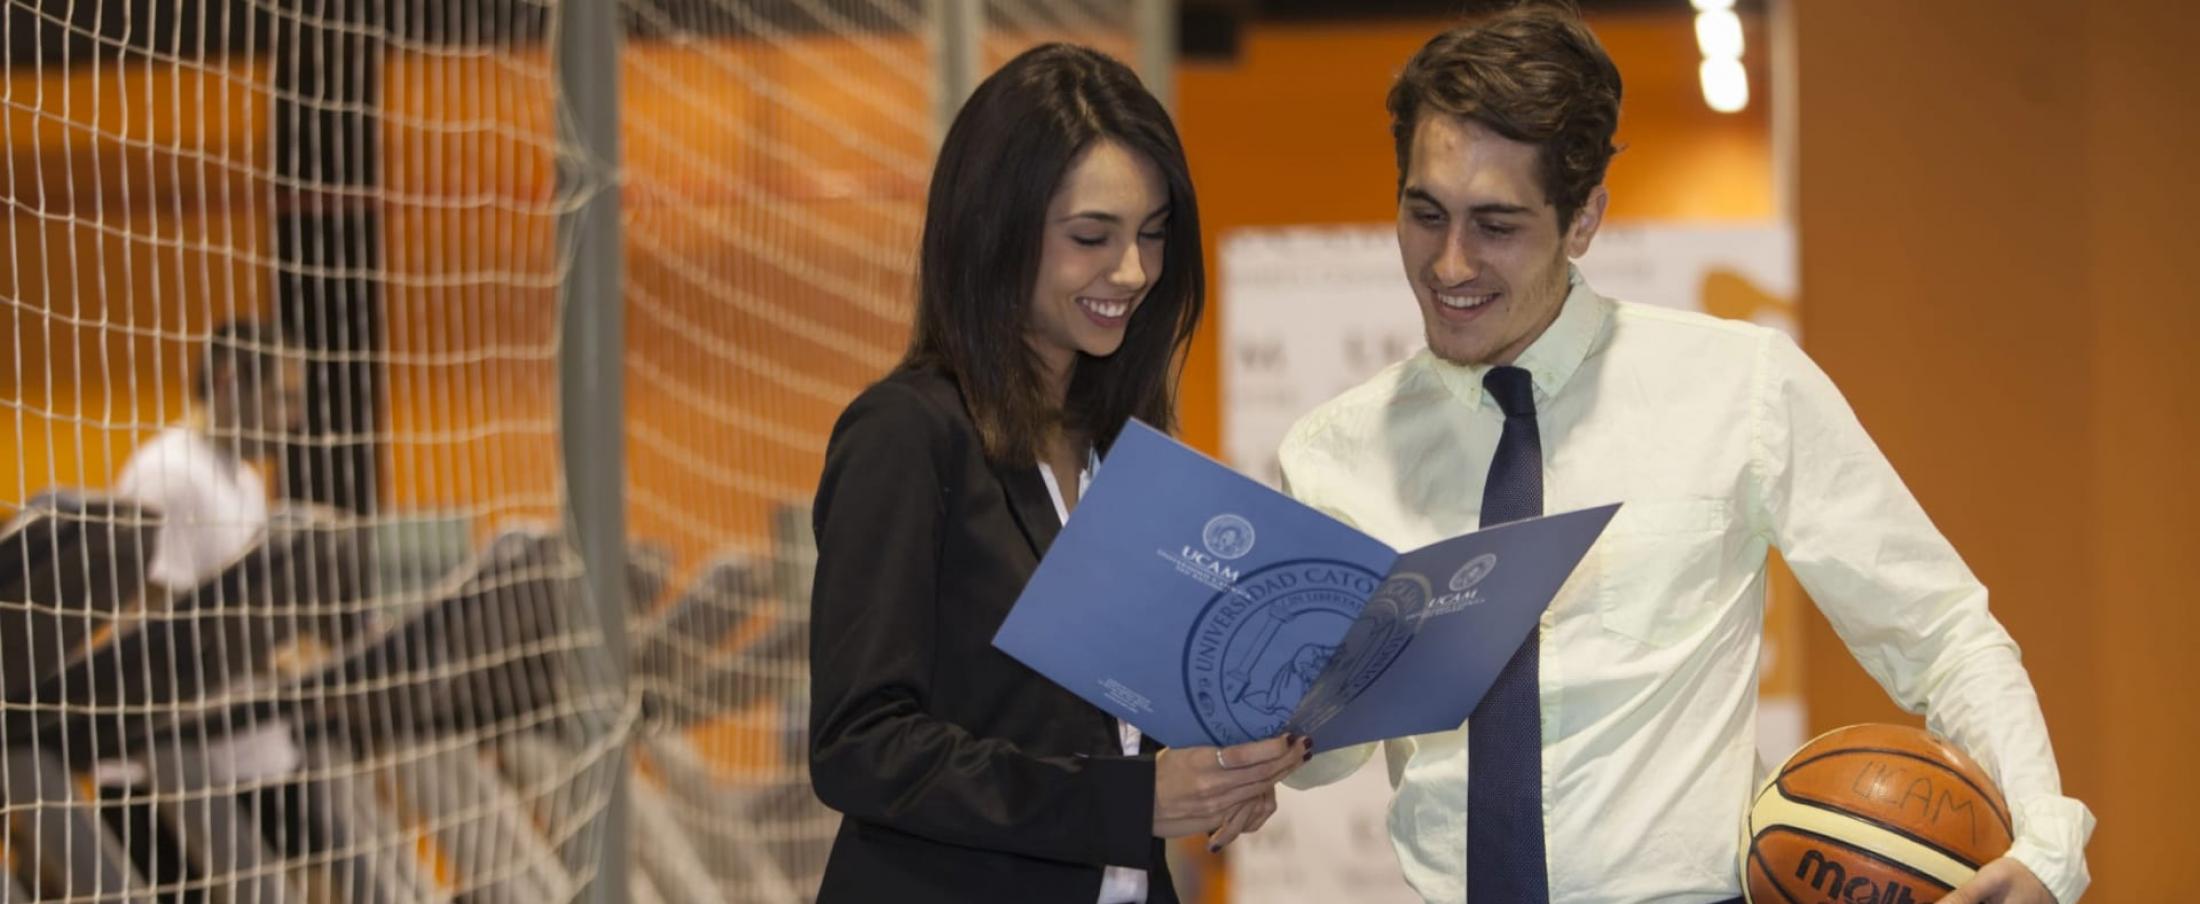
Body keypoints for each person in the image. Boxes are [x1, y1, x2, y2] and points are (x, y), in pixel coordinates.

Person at [1277, 5, 2094, 902]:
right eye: (1425, 214)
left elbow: (1940, 633)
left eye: (1497, 225)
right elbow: (1323, 756)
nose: (1449, 263)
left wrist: (2046, 847)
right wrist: (1258, 733)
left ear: (1584, 218)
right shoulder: (1333, 453)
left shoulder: (1740, 385)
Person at [806, 44, 1306, 904]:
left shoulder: (1122, 447)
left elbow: (1106, 730)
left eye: (1152, 235)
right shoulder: (907, 434)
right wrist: (1130, 799)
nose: (1133, 272)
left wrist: (1219, 772)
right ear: (994, 228)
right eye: (1092, 237)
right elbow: (861, 745)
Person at [108, 318, 306, 785]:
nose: (295, 420)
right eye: (283, 399)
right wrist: (270, 654)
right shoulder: (168, 473)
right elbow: (156, 630)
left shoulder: (247, 482)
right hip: (169, 774)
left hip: (247, 757)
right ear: (228, 382)